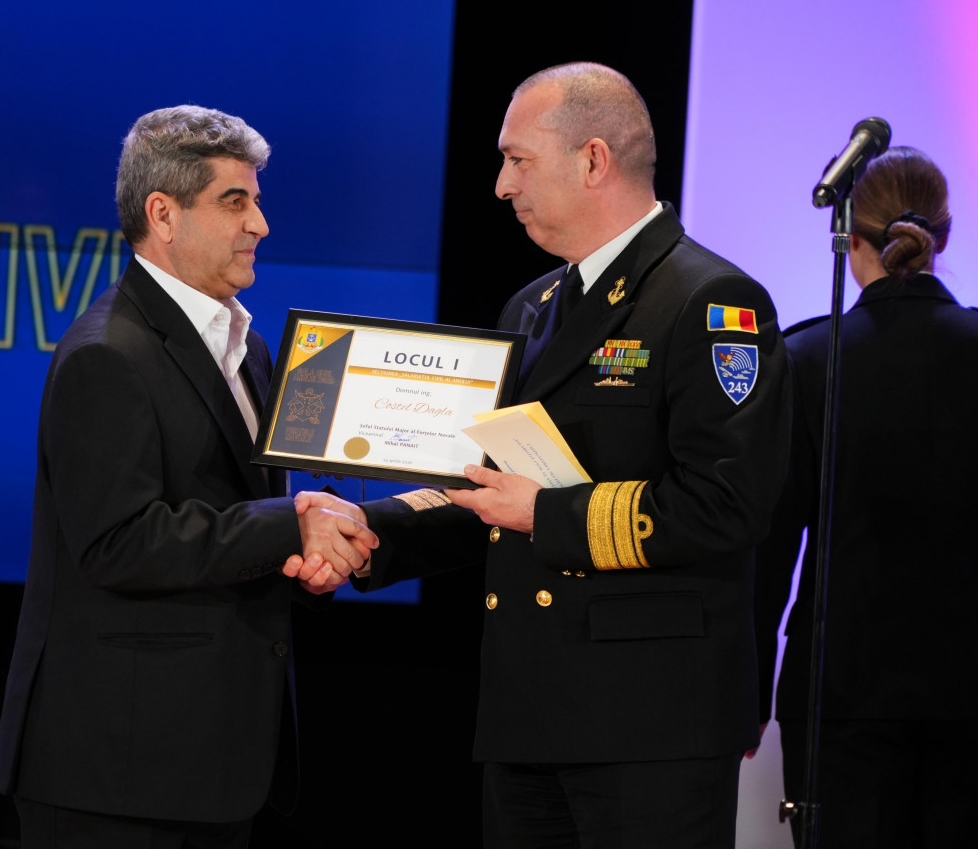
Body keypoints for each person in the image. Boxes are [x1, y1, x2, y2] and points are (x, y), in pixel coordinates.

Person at [291, 62, 791, 848]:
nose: (501, 185)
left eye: (517, 159)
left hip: (651, 721)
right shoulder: (533, 306)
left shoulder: (712, 301)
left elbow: (728, 503)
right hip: (529, 710)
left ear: (593, 160)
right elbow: (487, 488)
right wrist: (368, 532)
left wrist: (546, 513)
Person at [0, 104, 374, 849]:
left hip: (212, 760)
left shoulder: (249, 348)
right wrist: (291, 525)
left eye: (256, 200)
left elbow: (241, 514)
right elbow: (120, 543)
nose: (260, 223)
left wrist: (307, 557)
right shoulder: (107, 354)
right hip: (119, 773)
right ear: (162, 214)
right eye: (235, 202)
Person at [755, 146, 978, 848]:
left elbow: (769, 546)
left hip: (842, 696)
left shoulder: (808, 357)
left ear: (850, 237)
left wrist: (748, 693)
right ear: (943, 236)